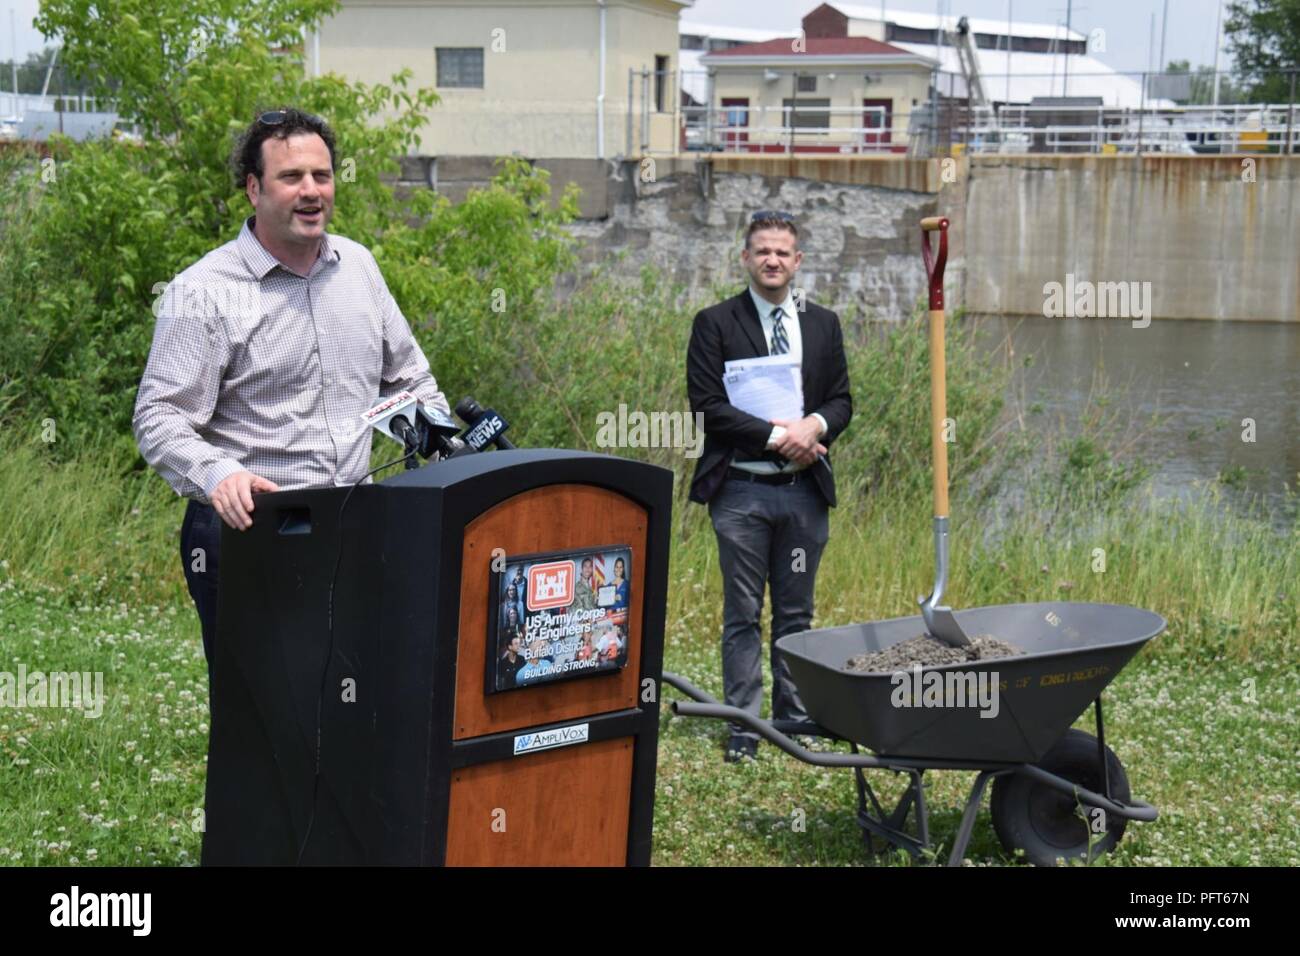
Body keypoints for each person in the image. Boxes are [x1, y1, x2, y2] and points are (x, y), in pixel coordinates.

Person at [132, 108, 451, 686]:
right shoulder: (202, 291)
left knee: (360, 707)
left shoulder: (358, 267)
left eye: (322, 176)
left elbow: (410, 379)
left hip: (357, 524)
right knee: (267, 724)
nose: (311, 191)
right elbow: (159, 417)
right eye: (291, 177)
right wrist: (217, 474)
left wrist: (435, 430)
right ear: (253, 188)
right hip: (254, 530)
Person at [686, 210, 853, 763]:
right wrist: (783, 434)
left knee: (796, 614)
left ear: (798, 260)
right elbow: (708, 409)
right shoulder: (715, 323)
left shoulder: (823, 323)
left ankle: (796, 721)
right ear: (746, 258)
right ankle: (744, 729)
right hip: (741, 495)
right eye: (762, 251)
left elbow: (841, 401)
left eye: (782, 252)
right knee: (742, 614)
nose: (773, 260)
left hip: (804, 493)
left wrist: (817, 427)